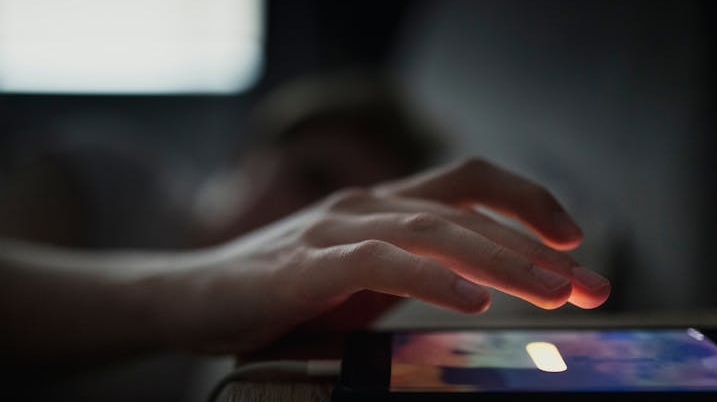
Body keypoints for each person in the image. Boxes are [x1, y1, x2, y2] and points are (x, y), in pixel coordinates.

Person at [1, 157, 610, 371]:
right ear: (252, 152)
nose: (310, 215)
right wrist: (187, 285)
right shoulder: (105, 176)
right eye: (311, 178)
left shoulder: (282, 307)